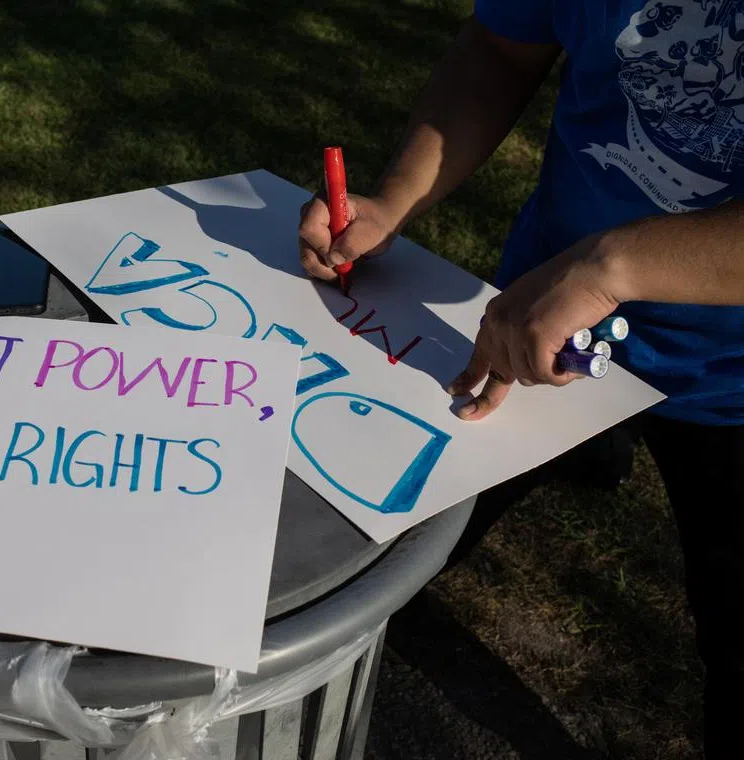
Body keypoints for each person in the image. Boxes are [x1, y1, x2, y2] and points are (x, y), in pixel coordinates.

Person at [297, 2, 744, 757]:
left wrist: (612, 268)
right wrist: (393, 199)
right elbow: (501, 53)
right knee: (380, 544)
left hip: (729, 376)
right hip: (537, 316)